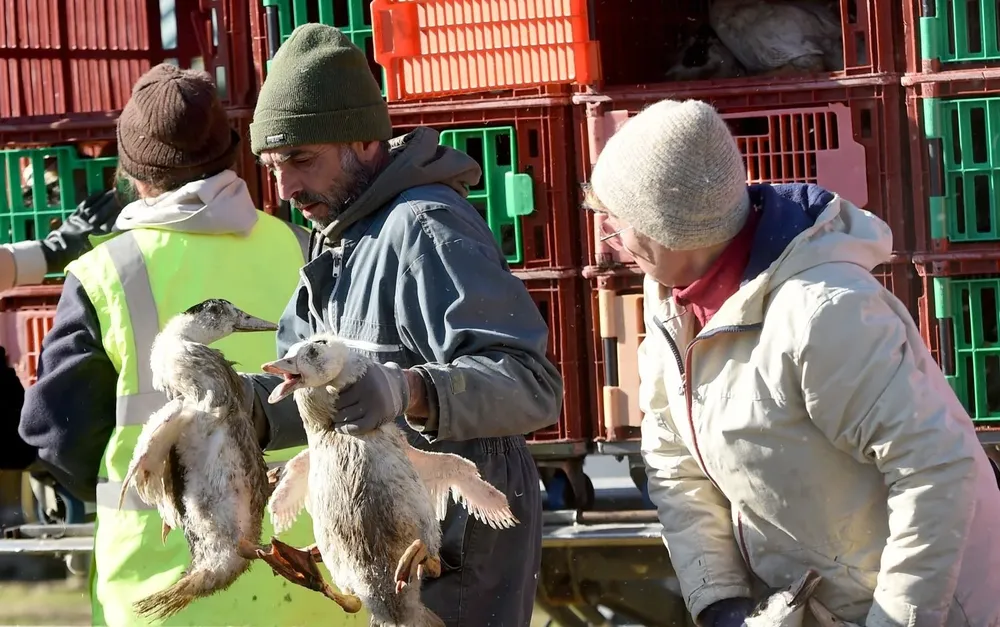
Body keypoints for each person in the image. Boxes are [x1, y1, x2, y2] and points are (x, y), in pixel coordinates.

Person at [584, 98, 1000, 626]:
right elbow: (675, 464)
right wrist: (720, 602)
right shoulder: (673, 301)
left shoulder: (822, 312)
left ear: (668, 228)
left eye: (616, 224)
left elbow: (935, 471)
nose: (611, 243)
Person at [240, 24, 563, 627]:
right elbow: (311, 395)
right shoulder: (336, 237)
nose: (284, 188)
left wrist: (410, 390)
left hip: (459, 549)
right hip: (387, 549)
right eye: (272, 165)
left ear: (365, 141)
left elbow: (531, 384)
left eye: (301, 160)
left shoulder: (425, 229)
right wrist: (243, 406)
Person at [18, 63, 344, 626]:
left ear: (131, 171)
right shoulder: (304, 247)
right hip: (311, 589)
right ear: (233, 155)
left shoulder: (105, 273)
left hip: (168, 591)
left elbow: (56, 436)